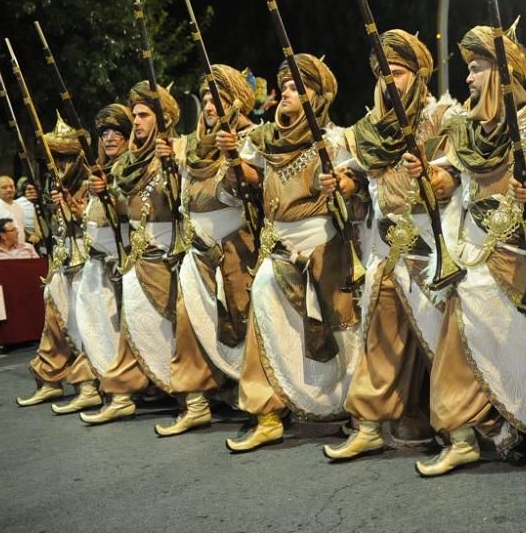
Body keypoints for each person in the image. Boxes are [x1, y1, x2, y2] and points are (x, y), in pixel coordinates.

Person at [411, 22, 526, 477]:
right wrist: (429, 175)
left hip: (525, 257)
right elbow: (448, 180)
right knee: (459, 342)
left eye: (477, 69)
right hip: (476, 254)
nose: (469, 79)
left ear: (501, 72)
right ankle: (464, 435)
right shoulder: (463, 127)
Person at [322, 30, 461, 461]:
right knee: (379, 337)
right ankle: (368, 423)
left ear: (418, 75)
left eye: (397, 72)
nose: (388, 81)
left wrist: (432, 176)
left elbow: (452, 176)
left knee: (441, 342)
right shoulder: (369, 130)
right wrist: (345, 183)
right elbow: (361, 178)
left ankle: (464, 432)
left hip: (430, 248)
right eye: (382, 73)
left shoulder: (443, 118)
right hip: (385, 249)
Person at [217, 53, 363, 453]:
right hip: (278, 246)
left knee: (341, 328)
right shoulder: (263, 141)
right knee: (263, 320)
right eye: (284, 87)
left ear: (318, 96)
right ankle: (266, 413)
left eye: (297, 87)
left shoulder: (335, 139)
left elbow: (354, 178)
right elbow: (247, 178)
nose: (286, 94)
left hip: (325, 247)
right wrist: (233, 159)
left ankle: (359, 412)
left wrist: (344, 184)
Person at [81, 81, 220, 434]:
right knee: (135, 327)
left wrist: (173, 166)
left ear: (164, 118)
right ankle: (122, 396)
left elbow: (187, 199)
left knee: (178, 330)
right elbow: (123, 210)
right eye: (136, 115)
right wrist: (105, 196)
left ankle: (194, 401)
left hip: (168, 256)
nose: (137, 121)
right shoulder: (125, 165)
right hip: (136, 257)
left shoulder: (177, 151)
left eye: (144, 115)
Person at [175, 66, 257, 408]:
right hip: (196, 252)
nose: (210, 106)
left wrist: (234, 154)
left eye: (219, 99)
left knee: (242, 320)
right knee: (188, 317)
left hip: (237, 249)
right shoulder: (191, 148)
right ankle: (195, 401)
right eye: (207, 98)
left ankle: (255, 399)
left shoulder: (253, 138)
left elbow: (253, 185)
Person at [16, 116, 96, 408]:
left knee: (81, 323)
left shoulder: (87, 181)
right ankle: (49, 379)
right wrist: (46, 205)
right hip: (60, 261)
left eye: (64, 157)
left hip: (86, 262)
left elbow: (94, 222)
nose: (59, 163)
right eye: (56, 158)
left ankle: (88, 385)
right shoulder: (54, 181)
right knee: (53, 320)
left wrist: (72, 208)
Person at [67, 104, 132, 414]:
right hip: (94, 262)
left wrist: (110, 194)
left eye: (117, 132)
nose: (109, 138)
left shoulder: (131, 166)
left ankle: (121, 396)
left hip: (116, 263)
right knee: (90, 327)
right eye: (105, 133)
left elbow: (132, 211)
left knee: (112, 330)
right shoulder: (99, 170)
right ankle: (98, 387)